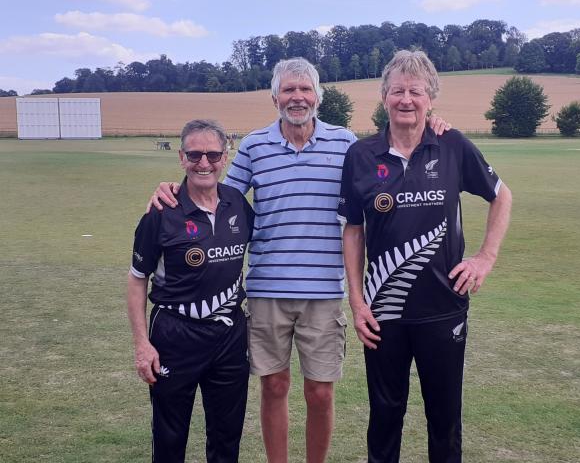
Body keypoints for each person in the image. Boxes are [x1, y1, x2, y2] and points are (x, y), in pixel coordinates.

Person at [149, 57, 450, 463]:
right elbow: (218, 197)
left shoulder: (345, 143)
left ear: (318, 97)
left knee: (321, 391)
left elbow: (389, 164)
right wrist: (174, 187)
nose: (297, 97)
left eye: (305, 89)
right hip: (267, 292)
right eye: (289, 90)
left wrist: (432, 125)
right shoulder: (255, 145)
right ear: (275, 97)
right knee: (273, 386)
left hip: (324, 293)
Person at [338, 50, 512, 463]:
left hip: (444, 308)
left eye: (415, 91)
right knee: (384, 416)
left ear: (430, 97)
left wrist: (485, 258)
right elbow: (353, 229)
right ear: (383, 98)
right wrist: (357, 301)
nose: (406, 99)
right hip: (384, 314)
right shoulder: (361, 156)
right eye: (397, 91)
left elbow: (501, 195)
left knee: (445, 419)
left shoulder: (451, 145)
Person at [128, 119, 254, 462]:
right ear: (181, 157)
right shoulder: (160, 213)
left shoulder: (238, 204)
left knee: (227, 440)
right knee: (170, 440)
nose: (204, 163)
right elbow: (138, 279)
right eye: (195, 154)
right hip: (175, 335)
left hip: (229, 336)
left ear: (225, 156)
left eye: (213, 155)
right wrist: (142, 345)